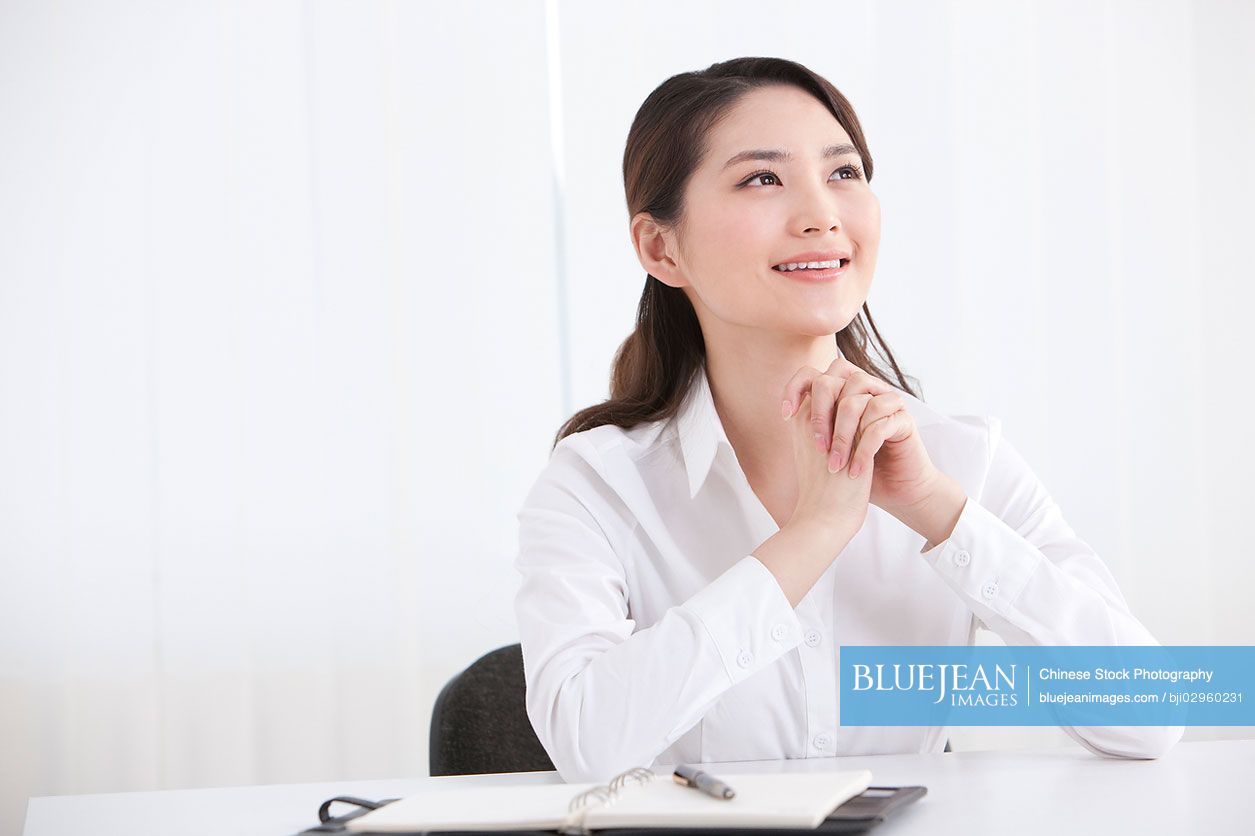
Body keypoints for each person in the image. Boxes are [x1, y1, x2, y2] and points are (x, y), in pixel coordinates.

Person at [512, 56, 1182, 783]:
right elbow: (585, 743)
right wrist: (813, 534)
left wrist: (938, 512)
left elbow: (1149, 717)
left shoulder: (959, 459)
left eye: (843, 173)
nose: (821, 214)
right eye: (761, 178)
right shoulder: (597, 482)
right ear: (660, 248)